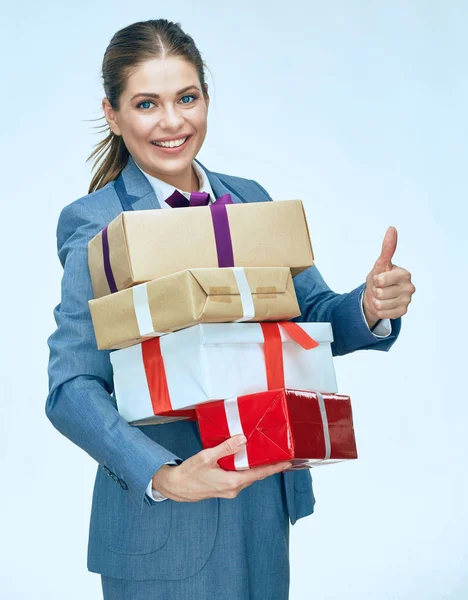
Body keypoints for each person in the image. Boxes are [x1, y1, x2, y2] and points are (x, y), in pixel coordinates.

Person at [45, 18, 416, 600]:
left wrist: (369, 307)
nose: (172, 122)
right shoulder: (95, 223)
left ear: (206, 100)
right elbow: (70, 387)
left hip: (262, 501)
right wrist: (164, 477)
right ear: (114, 115)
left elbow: (310, 315)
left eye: (186, 98)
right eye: (147, 103)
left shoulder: (248, 199)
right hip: (164, 523)